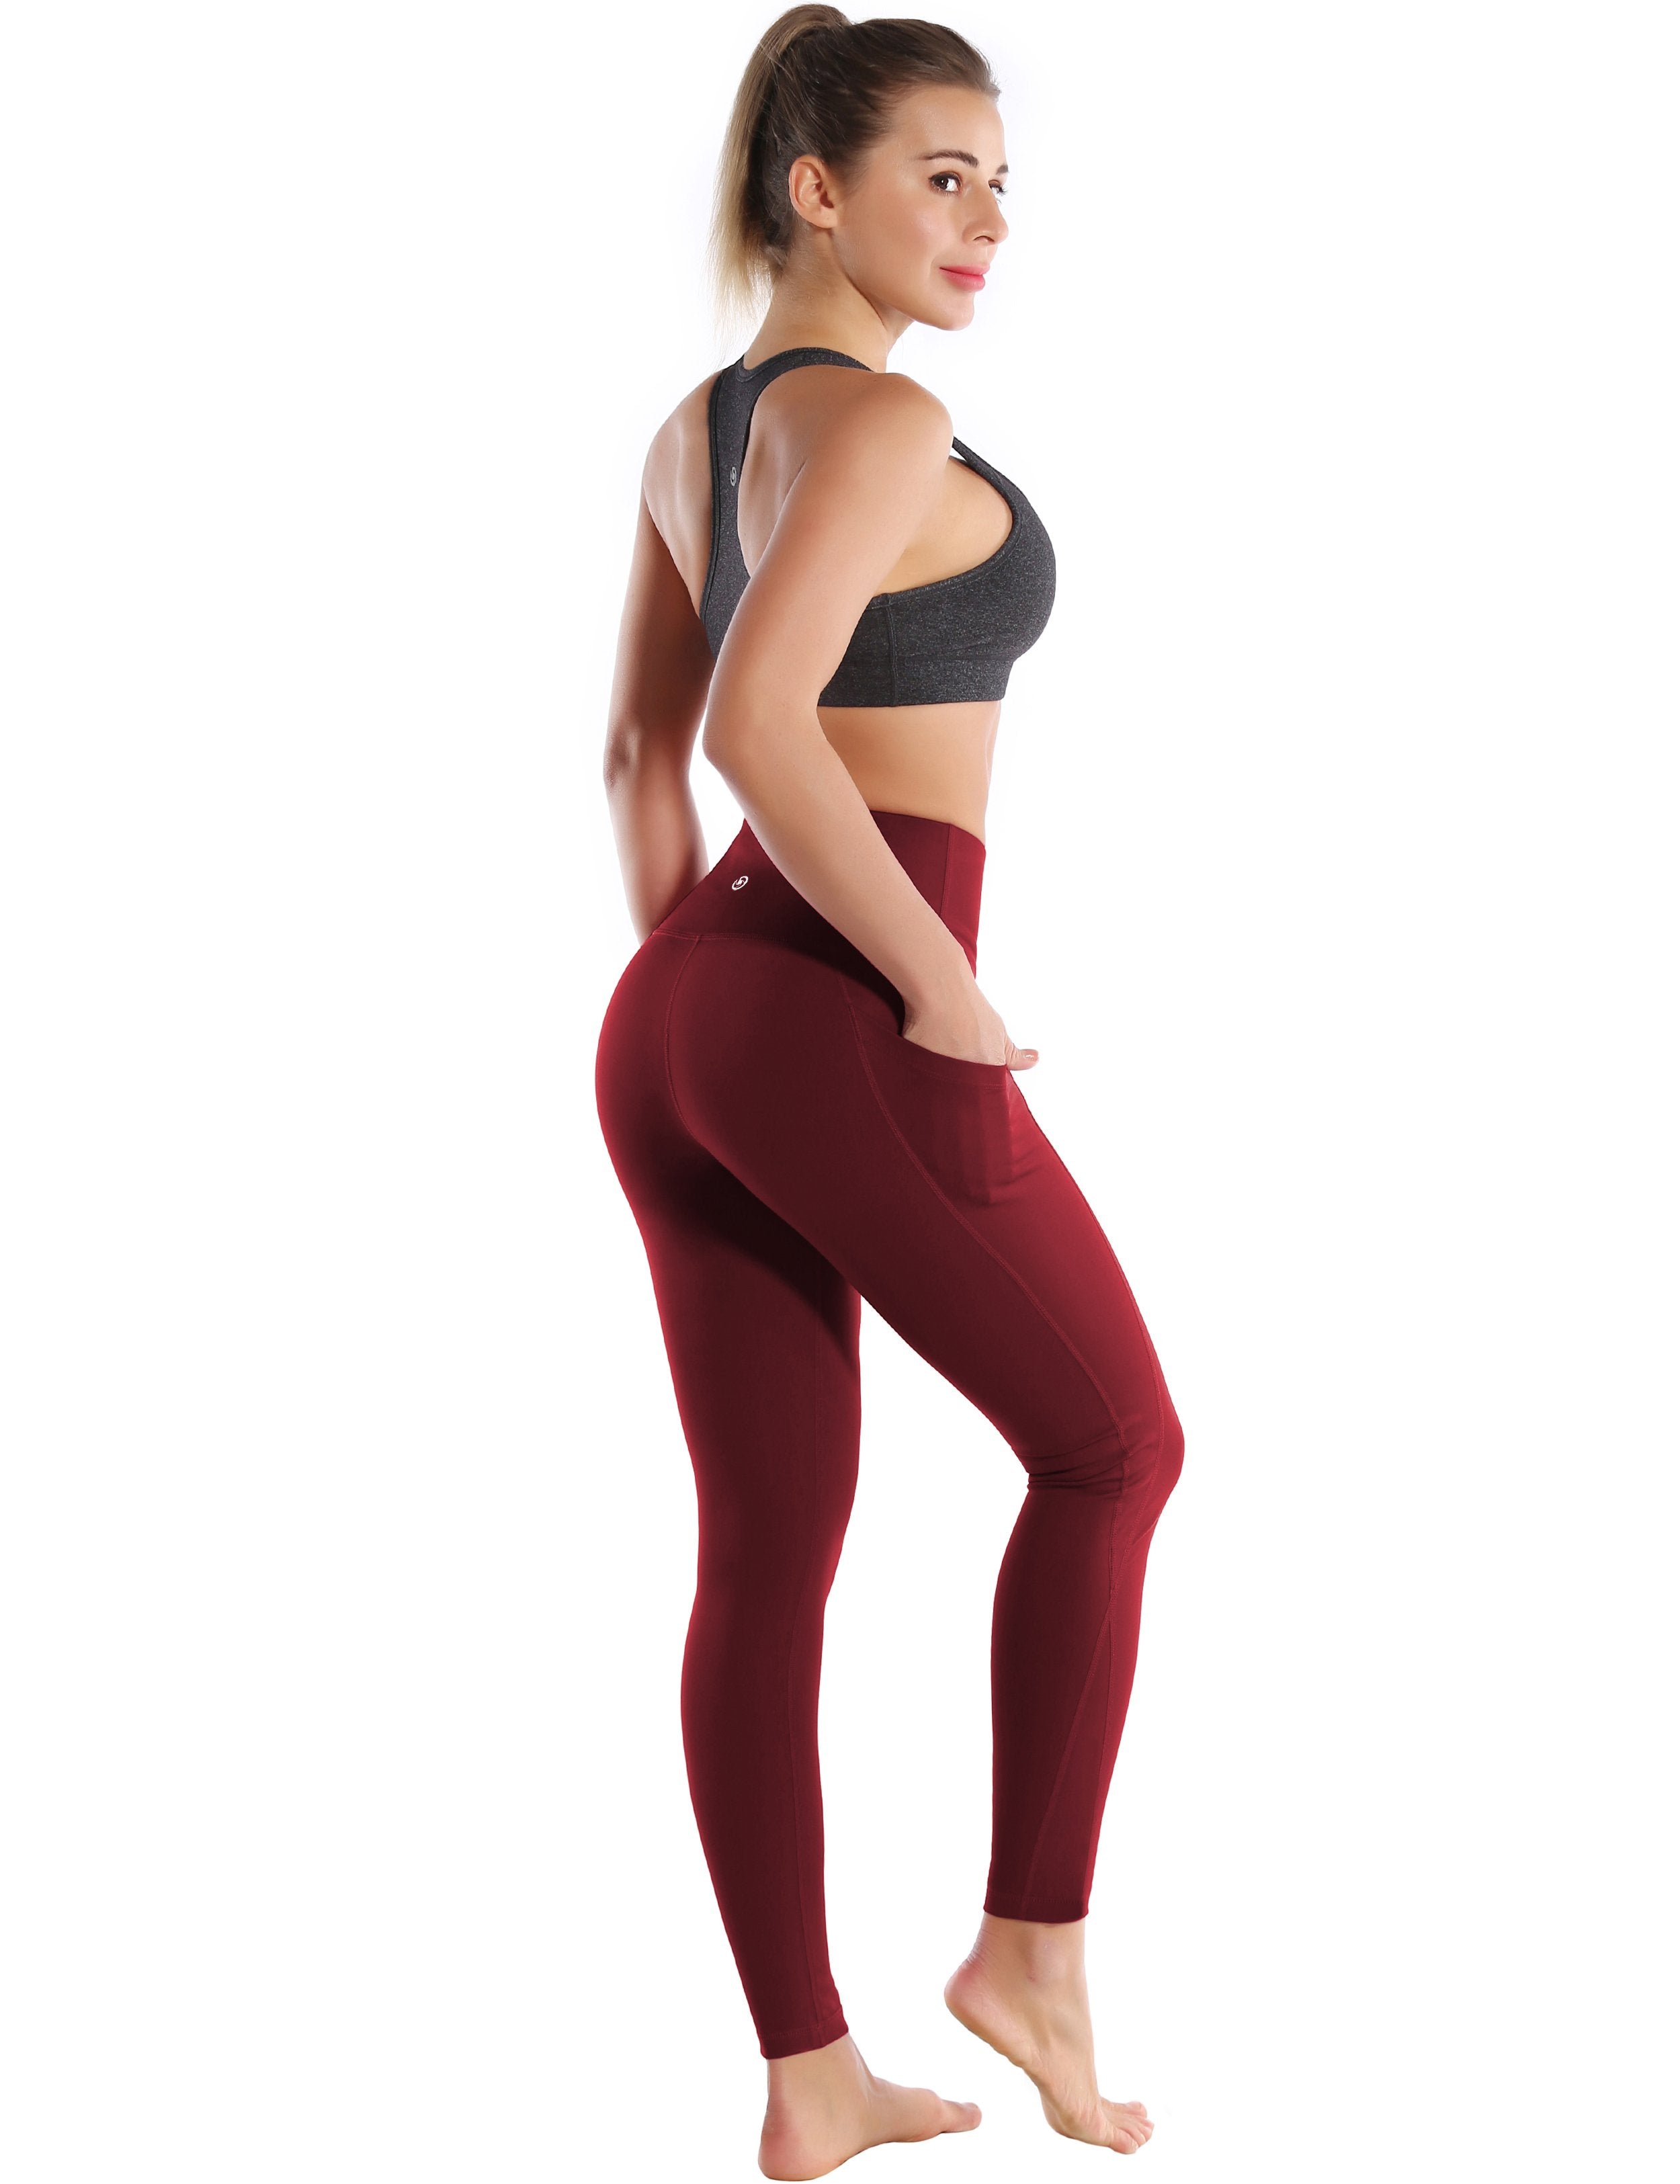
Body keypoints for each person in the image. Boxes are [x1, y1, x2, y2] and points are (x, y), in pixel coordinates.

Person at [593, 9, 1185, 2173]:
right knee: (1114, 1443)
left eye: (1002, 181)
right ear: (815, 188)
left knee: (765, 1551)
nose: (986, 219)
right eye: (944, 175)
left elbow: (633, 762)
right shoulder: (879, 416)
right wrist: (932, 989)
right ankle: (1028, 1945)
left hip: (682, 1007)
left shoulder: (696, 432)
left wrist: (708, 1008)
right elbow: (755, 728)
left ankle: (809, 2073)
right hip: (844, 987)